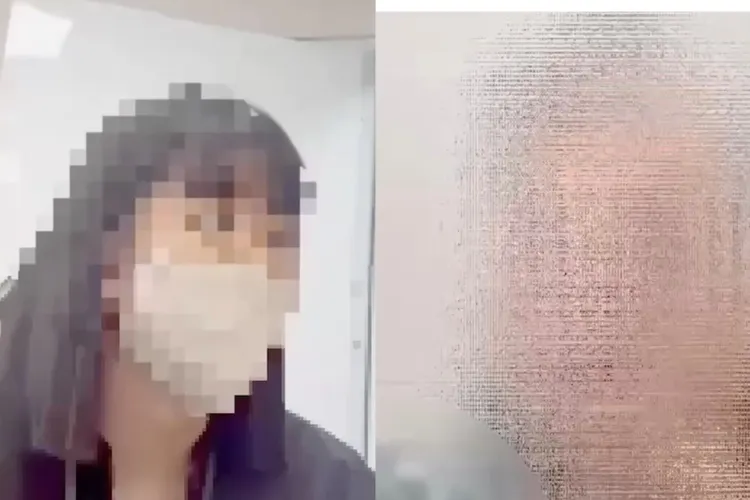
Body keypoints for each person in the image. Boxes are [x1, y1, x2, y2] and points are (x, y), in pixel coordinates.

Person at [0, 82, 373, 500]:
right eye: (218, 222)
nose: (259, 267)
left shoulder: (332, 484)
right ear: (103, 248)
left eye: (278, 240)